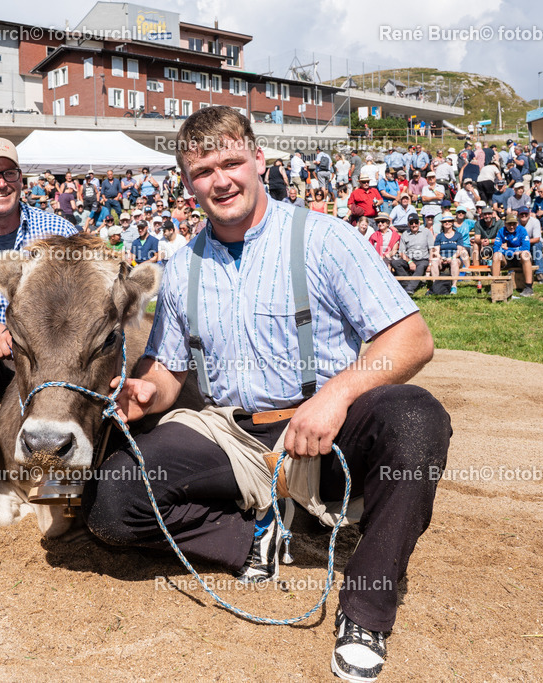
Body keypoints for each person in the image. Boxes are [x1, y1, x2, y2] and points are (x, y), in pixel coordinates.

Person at [82, 106, 449, 683]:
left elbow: (412, 340)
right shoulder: (180, 269)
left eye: (231, 162)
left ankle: (366, 610)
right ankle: (253, 539)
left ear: (258, 159)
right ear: (186, 182)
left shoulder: (326, 239)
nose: (220, 180)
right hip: (233, 434)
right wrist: (143, 391)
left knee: (415, 417)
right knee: (112, 502)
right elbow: (170, 376)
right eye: (203, 171)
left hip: (328, 431)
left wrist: (337, 393)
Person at [0, 137, 78, 416]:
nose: (1, 183)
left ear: (20, 178)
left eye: (9, 173)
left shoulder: (60, 232)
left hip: (51, 355)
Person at [491, 213, 535, 296]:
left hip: (519, 259)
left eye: (514, 224)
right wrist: (515, 250)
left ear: (517, 224)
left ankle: (529, 288)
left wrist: (508, 249)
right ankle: (495, 286)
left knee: (525, 255)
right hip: (506, 260)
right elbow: (496, 248)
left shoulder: (522, 230)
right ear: (505, 224)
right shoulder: (501, 231)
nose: (511, 227)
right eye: (509, 224)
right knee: (496, 255)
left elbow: (526, 247)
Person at [428, 213, 469, 295]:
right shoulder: (439, 236)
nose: (447, 223)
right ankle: (436, 284)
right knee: (434, 261)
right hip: (441, 258)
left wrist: (451, 258)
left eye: (449, 221)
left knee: (454, 261)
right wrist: (441, 257)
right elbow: (436, 250)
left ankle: (454, 286)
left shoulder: (458, 235)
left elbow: (459, 250)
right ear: (442, 224)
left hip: (454, 258)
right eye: (445, 221)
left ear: (452, 222)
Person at [391, 215, 432, 294]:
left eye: (416, 222)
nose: (414, 225)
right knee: (395, 262)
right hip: (409, 259)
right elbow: (401, 252)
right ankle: (408, 284)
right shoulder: (405, 234)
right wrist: (409, 261)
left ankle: (409, 288)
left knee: (421, 266)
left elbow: (432, 249)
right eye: (411, 223)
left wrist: (430, 263)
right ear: (408, 224)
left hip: (422, 259)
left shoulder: (426, 232)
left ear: (419, 223)